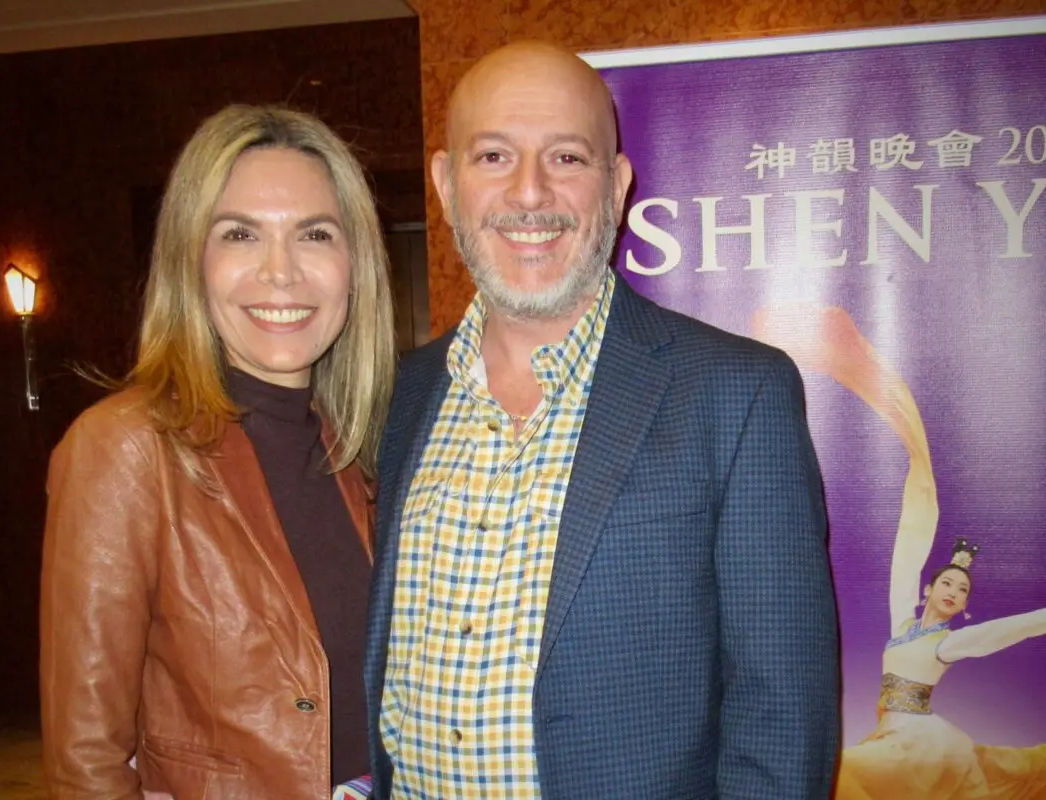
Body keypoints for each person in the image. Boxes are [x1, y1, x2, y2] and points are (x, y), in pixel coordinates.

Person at [363, 41, 840, 799]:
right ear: (446, 184)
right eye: (493, 157)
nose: (529, 194)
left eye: (566, 158)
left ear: (616, 187)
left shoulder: (736, 394)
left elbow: (784, 714)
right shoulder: (398, 397)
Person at [40, 104, 396, 798]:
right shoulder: (125, 450)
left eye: (314, 234)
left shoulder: (364, 444)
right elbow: (86, 761)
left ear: (354, 264)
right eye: (240, 234)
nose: (281, 272)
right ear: (190, 259)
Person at [754, 305, 1046, 800]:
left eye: (962, 590)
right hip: (899, 738)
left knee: (844, 780)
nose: (953, 592)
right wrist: (920, 479)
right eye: (948, 583)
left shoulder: (945, 644)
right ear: (931, 589)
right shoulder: (904, 628)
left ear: (964, 606)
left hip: (920, 745)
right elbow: (908, 549)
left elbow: (1008, 631)